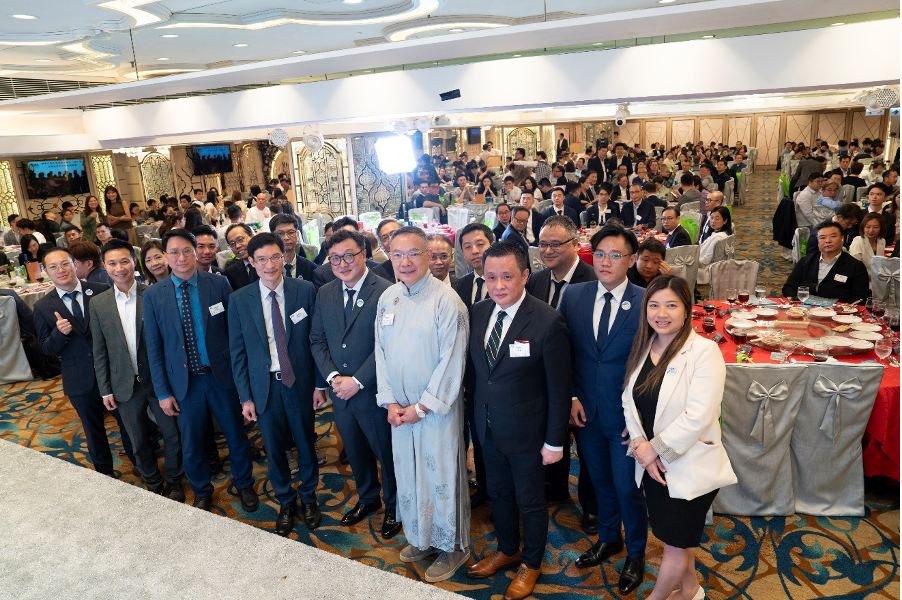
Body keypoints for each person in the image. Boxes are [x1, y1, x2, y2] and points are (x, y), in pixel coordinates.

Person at [463, 241, 572, 599]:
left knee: (531, 502)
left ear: (525, 275)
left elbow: (560, 390)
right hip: (487, 428)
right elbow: (479, 374)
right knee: (498, 494)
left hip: (528, 433)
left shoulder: (547, 321)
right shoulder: (478, 312)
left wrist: (555, 442)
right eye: (491, 277)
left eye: (507, 277)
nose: (498, 285)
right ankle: (507, 549)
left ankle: (531, 562)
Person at [622, 275, 736, 600]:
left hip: (689, 466)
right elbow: (629, 401)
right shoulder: (645, 346)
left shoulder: (704, 351)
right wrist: (640, 446)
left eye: (671, 305)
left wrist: (654, 450)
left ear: (687, 309)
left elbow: (700, 415)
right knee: (678, 539)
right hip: (654, 467)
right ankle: (691, 590)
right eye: (654, 305)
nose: (662, 313)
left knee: (674, 546)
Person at [374, 226, 471, 583]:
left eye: (413, 253)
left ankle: (455, 546)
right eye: (397, 254)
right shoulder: (388, 298)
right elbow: (381, 353)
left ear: (429, 256)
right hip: (400, 412)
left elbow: (453, 361)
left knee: (440, 477)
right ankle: (423, 538)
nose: (405, 262)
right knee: (410, 476)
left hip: (435, 412)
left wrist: (422, 407)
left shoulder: (447, 301)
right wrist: (390, 402)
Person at [559, 224, 648, 595]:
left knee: (628, 488)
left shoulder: (646, 300)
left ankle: (637, 553)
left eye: (615, 255)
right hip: (587, 414)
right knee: (600, 482)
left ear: (631, 259)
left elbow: (656, 365)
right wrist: (571, 398)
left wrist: (642, 421)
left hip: (627, 420)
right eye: (599, 254)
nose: (605, 262)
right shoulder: (573, 295)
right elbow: (563, 352)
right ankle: (610, 538)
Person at [143, 229, 258, 512]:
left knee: (236, 436)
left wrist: (242, 381)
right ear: (165, 256)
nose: (181, 257)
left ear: (195, 253)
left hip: (222, 377)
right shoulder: (154, 295)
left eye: (187, 251)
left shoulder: (218, 283)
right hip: (185, 383)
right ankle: (201, 491)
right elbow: (154, 349)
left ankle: (244, 484)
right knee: (192, 443)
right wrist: (163, 393)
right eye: (174, 252)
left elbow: (235, 334)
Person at [229, 232, 326, 534]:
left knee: (305, 443)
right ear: (251, 261)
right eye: (261, 259)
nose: (269, 265)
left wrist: (320, 385)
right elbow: (237, 352)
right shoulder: (239, 299)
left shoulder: (304, 290)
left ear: (284, 257)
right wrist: (245, 397)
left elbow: (317, 340)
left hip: (300, 383)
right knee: (273, 449)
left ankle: (309, 498)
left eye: (275, 257)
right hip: (265, 387)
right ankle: (285, 500)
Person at [310, 228, 400, 539]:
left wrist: (358, 381)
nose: (342, 263)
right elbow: (317, 340)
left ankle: (394, 505)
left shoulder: (387, 291)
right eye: (335, 258)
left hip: (375, 392)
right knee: (355, 450)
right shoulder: (325, 292)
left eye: (349, 255)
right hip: (340, 393)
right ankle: (368, 498)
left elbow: (388, 345)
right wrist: (333, 378)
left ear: (364, 254)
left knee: (386, 453)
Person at [89, 239, 184, 500]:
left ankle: (175, 479)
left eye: (124, 261)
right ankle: (152, 480)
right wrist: (105, 389)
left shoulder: (153, 294)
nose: (119, 268)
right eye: (112, 263)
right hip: (124, 384)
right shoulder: (98, 304)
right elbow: (100, 350)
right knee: (138, 440)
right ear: (104, 266)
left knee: (173, 434)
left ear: (135, 262)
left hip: (159, 381)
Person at [33, 248, 136, 477]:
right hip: (79, 379)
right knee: (93, 430)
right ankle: (105, 474)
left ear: (74, 264)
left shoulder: (101, 290)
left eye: (65, 264)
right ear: (46, 271)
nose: (61, 270)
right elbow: (45, 349)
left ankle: (140, 464)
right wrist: (59, 334)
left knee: (128, 424)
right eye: (53, 267)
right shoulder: (43, 306)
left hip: (112, 372)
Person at [525, 215, 598, 527]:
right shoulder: (536, 280)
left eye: (556, 244)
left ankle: (592, 506)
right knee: (550, 435)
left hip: (582, 381)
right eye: (543, 244)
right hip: (544, 379)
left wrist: (574, 393)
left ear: (575, 244)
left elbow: (593, 344)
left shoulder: (593, 281)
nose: (548, 250)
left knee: (588, 447)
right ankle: (555, 487)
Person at [782, 221, 870, 304]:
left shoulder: (856, 266)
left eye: (833, 236)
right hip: (806, 309)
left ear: (842, 238)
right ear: (817, 241)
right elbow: (788, 288)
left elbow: (860, 298)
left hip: (838, 312)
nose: (828, 241)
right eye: (822, 237)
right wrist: (804, 301)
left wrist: (837, 307)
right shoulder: (805, 261)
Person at [268, 214, 316, 281]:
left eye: (290, 232)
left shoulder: (310, 268)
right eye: (280, 233)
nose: (286, 238)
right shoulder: (266, 268)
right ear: (272, 237)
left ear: (297, 235)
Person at [697, 207, 733, 286]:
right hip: (711, 269)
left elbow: (704, 262)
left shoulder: (718, 238)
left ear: (725, 221)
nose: (713, 221)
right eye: (712, 218)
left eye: (717, 219)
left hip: (704, 272)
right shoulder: (721, 233)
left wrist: (692, 259)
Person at [223, 223, 258, 291]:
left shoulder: (269, 262)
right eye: (232, 244)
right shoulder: (230, 273)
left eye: (240, 240)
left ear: (252, 237)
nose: (237, 246)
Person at [373, 219, 402, 283]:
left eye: (394, 234)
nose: (390, 240)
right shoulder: (377, 274)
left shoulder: (420, 263)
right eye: (385, 238)